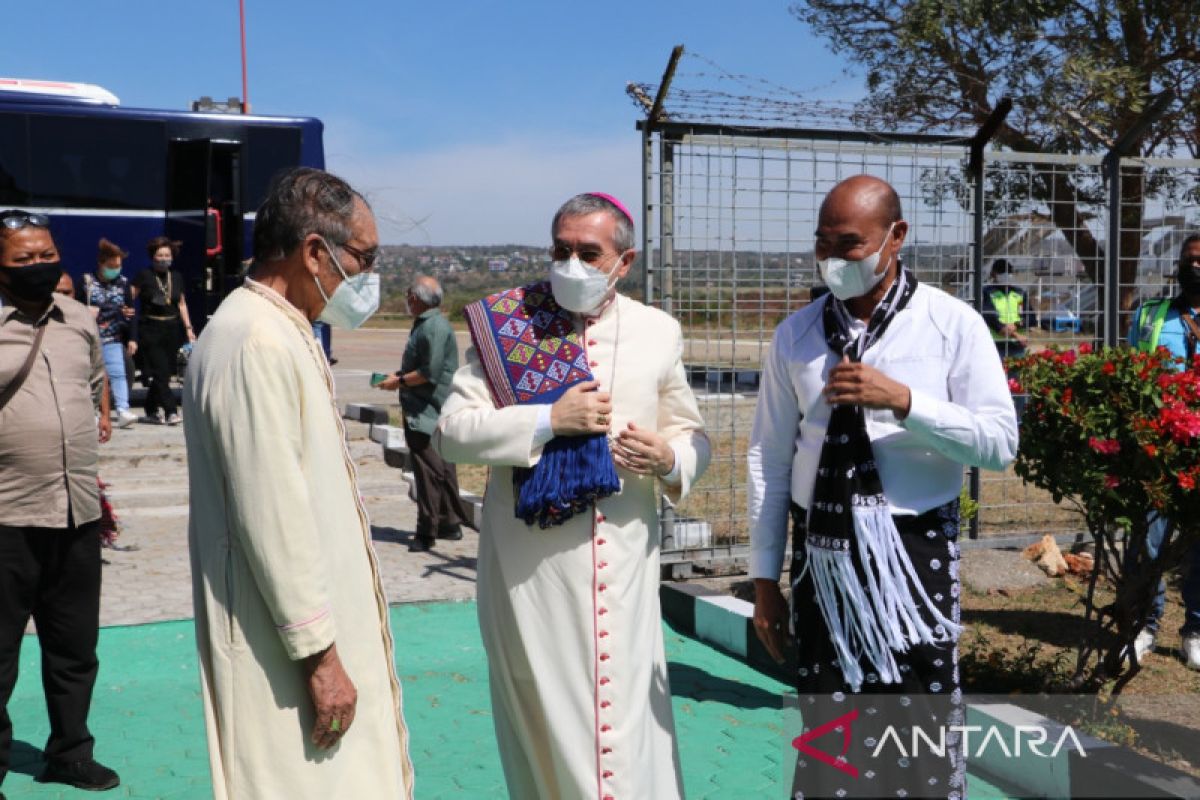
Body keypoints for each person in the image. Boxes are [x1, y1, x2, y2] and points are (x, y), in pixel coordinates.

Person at [748, 176, 1018, 799]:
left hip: (915, 556)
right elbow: (768, 459)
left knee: (918, 722)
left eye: (850, 243)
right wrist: (766, 581)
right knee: (830, 727)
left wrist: (904, 402)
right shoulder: (797, 334)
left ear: (896, 238)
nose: (834, 259)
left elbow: (999, 444)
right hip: (823, 558)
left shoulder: (951, 325)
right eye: (822, 244)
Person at [435, 192, 710, 799]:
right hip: (532, 572)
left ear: (625, 260)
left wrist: (671, 460)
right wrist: (546, 419)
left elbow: (691, 434)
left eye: (590, 253)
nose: (572, 265)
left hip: (626, 562)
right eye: (561, 250)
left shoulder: (657, 332)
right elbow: (452, 433)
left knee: (630, 728)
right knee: (546, 719)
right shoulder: (506, 323)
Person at [183, 167, 413, 799]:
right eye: (363, 259)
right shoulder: (256, 339)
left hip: (300, 638)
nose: (368, 279)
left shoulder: (276, 328)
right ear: (315, 251)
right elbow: (272, 513)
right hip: (287, 655)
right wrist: (320, 659)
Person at [0, 210, 119, 793]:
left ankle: (70, 753)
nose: (39, 266)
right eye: (24, 259)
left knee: (75, 649)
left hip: (76, 515)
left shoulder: (78, 319)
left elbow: (95, 383)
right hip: (6, 518)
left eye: (46, 255)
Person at [1126, 233, 1200, 669]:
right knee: (1149, 539)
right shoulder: (1152, 316)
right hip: (1159, 449)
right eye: (1188, 259)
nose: (1195, 267)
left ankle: (1195, 628)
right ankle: (1146, 624)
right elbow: (1133, 374)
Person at [376, 275, 473, 552]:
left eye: (408, 294)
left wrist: (400, 382)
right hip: (435, 409)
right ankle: (449, 523)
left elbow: (429, 373)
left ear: (416, 298)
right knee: (442, 468)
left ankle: (426, 531)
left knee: (427, 472)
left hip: (427, 410)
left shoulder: (431, 327)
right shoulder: (433, 324)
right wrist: (399, 376)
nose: (407, 299)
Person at [131, 237, 195, 425]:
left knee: (165, 373)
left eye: (167, 255)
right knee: (159, 371)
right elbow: (130, 296)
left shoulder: (176, 276)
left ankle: (151, 409)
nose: (164, 258)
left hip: (172, 328)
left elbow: (181, 303)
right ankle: (171, 411)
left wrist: (189, 328)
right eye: (160, 255)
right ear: (153, 256)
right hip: (150, 328)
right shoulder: (144, 275)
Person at [79, 239, 138, 429]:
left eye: (118, 266)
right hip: (91, 337)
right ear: (101, 264)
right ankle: (93, 411)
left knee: (118, 374)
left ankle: (122, 409)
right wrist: (88, 310)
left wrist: (132, 338)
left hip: (113, 336)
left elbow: (131, 312)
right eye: (111, 266)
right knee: (92, 375)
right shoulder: (87, 282)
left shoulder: (124, 283)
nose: (115, 270)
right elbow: (76, 306)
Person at [981, 257, 1035, 360]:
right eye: (1002, 272)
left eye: (1008, 272)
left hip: (1017, 345)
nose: (1006, 275)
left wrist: (1016, 325)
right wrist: (1014, 334)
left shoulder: (1019, 293)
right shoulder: (987, 292)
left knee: (1016, 375)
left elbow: (1031, 318)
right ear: (993, 274)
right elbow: (989, 317)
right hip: (995, 344)